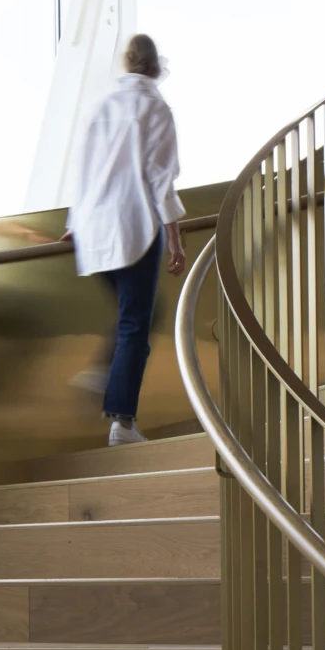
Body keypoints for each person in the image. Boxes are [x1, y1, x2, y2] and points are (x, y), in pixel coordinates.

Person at [64, 32, 186, 447]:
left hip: (92, 230)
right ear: (154, 66)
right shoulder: (155, 107)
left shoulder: (101, 106)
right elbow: (160, 177)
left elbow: (81, 171)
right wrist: (175, 236)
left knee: (138, 315)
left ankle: (103, 372)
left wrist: (75, 221)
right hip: (133, 227)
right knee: (136, 324)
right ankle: (123, 422)